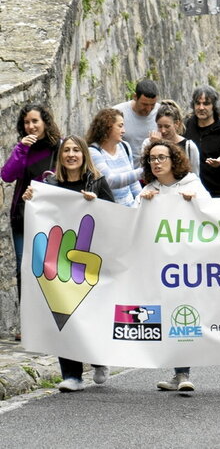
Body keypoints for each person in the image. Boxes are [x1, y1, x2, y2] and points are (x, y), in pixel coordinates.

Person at [22, 136, 114, 391]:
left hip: (91, 259)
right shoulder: (49, 185)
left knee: (91, 312)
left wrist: (97, 203)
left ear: (84, 154)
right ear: (60, 156)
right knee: (63, 313)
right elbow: (38, 213)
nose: (71, 154)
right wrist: (31, 198)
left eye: (76, 150)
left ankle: (98, 358)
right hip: (60, 258)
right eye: (66, 151)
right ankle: (72, 375)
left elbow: (115, 216)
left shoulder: (97, 182)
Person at [137, 140, 211, 393]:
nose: (156, 163)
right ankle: (176, 372)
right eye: (152, 159)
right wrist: (143, 203)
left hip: (186, 265)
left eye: (161, 157)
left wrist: (195, 202)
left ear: (173, 160)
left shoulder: (192, 185)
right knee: (167, 316)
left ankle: (183, 373)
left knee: (183, 314)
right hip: (158, 266)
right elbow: (134, 226)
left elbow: (212, 214)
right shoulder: (148, 190)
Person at [2, 103, 61, 305]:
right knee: (23, 267)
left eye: (35, 121)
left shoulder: (59, 148)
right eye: (26, 122)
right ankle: (27, 320)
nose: (31, 126)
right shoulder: (23, 148)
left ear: (45, 122)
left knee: (50, 267)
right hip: (23, 215)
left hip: (52, 217)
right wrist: (21, 149)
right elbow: (7, 175)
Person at [183, 86, 220, 198]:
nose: (201, 107)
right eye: (198, 103)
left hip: (216, 192)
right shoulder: (186, 126)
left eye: (206, 103)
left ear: (214, 106)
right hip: (188, 191)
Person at [86, 108, 142, 206]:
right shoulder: (93, 152)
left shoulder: (125, 146)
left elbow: (133, 183)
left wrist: (141, 200)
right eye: (120, 126)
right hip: (109, 210)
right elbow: (110, 181)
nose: (124, 131)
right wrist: (145, 171)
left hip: (131, 209)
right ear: (107, 127)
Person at [141, 100, 200, 175]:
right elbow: (144, 171)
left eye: (167, 126)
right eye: (159, 126)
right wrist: (154, 146)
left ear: (177, 124)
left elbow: (195, 175)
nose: (163, 130)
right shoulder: (148, 143)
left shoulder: (189, 147)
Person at [112, 79, 159, 167]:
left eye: (152, 105)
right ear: (135, 97)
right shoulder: (117, 113)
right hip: (124, 169)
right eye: (144, 104)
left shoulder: (161, 113)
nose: (148, 109)